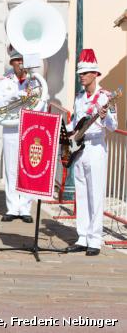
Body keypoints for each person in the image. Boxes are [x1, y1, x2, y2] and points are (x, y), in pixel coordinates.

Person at [66, 49, 117, 256]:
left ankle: (95, 239)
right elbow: (74, 122)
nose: (82, 76)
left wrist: (104, 117)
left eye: (86, 73)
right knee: (81, 194)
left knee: (95, 194)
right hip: (79, 148)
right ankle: (82, 236)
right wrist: (68, 135)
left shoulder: (106, 97)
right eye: (80, 73)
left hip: (96, 147)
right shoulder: (79, 97)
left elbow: (113, 126)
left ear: (95, 74)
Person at [0, 46, 34, 223]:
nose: (21, 64)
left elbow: (43, 103)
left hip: (29, 126)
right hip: (11, 126)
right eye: (18, 60)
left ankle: (26, 208)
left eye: (23, 60)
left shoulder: (35, 80)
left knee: (28, 167)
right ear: (12, 62)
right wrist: (15, 97)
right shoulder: (4, 81)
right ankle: (13, 207)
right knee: (11, 168)